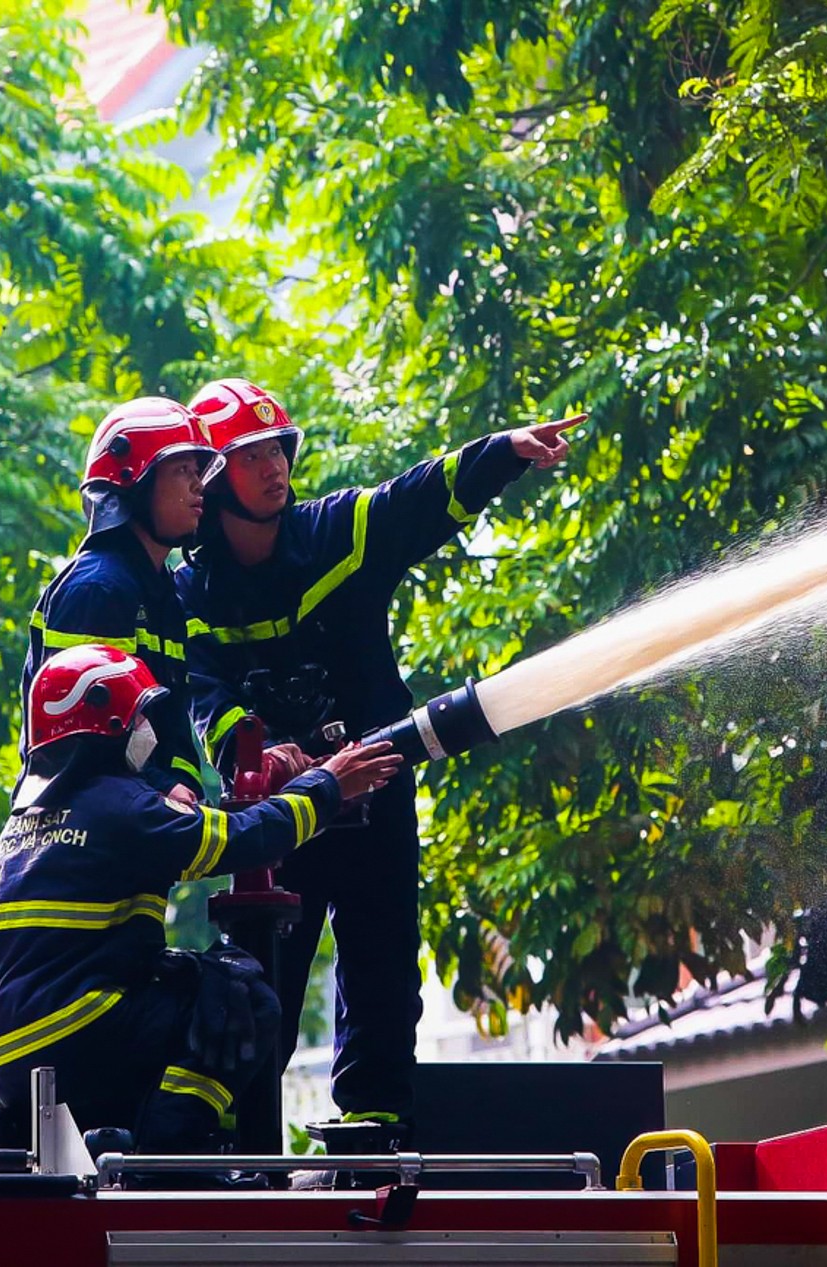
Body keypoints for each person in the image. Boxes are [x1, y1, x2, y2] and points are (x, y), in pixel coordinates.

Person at [175, 378, 580, 1137]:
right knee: (261, 982)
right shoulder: (187, 594)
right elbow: (199, 692)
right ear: (210, 477)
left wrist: (504, 454)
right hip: (277, 820)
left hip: (378, 795)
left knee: (384, 965)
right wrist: (252, 745)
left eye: (279, 450)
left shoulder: (337, 533)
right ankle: (245, 1144)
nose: (274, 468)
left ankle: (375, 1128)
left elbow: (415, 498)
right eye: (250, 455)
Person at [0, 643, 401, 1153]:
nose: (148, 734)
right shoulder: (120, 808)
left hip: (10, 1058)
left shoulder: (22, 827)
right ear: (108, 728)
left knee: (179, 978)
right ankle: (174, 1153)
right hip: (78, 1031)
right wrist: (326, 785)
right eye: (139, 720)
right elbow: (242, 839)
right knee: (237, 1000)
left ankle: (136, 1134)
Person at [19, 397, 217, 806]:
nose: (199, 485)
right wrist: (163, 788)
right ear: (135, 481)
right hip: (86, 834)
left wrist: (182, 787)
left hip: (136, 823)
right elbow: (85, 739)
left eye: (198, 471)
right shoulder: (98, 590)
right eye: (182, 470)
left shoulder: (161, 590)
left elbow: (170, 724)